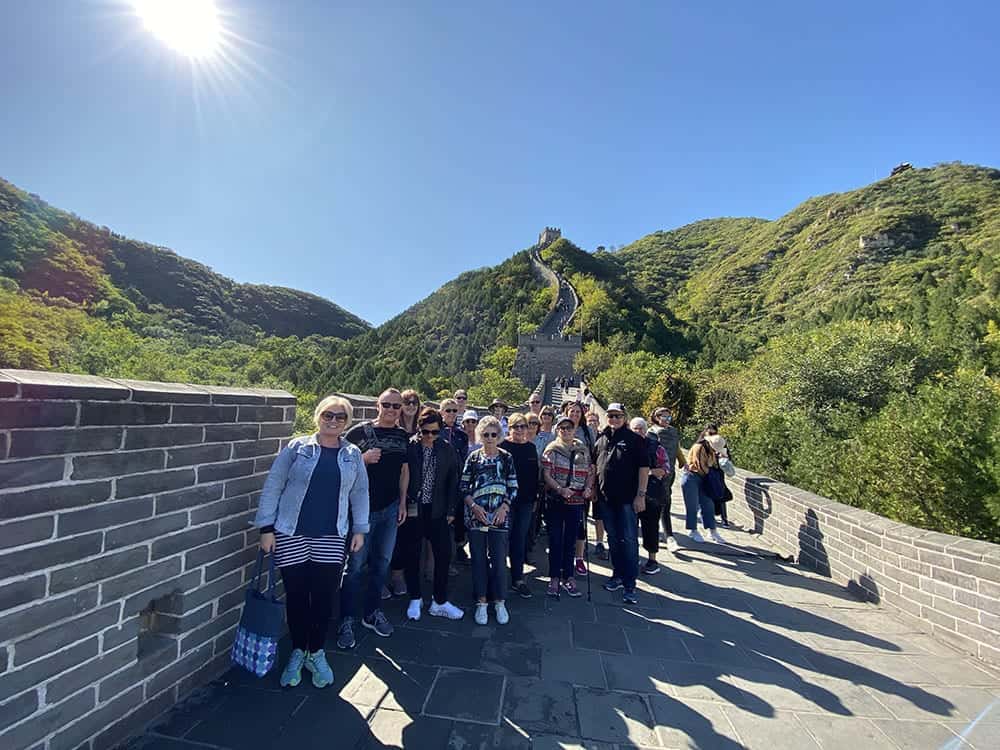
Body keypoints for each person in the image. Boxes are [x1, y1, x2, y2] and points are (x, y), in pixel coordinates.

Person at [256, 396, 368, 688]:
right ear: (318, 416)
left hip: (332, 535)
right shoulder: (297, 448)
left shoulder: (352, 454)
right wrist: (266, 527)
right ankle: (297, 650)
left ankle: (316, 652)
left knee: (323, 597)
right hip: (291, 532)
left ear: (347, 421)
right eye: (328, 415)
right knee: (296, 596)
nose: (333, 421)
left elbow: (360, 493)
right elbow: (274, 485)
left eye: (340, 417)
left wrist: (360, 529)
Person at [337, 389, 409, 649]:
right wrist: (363, 459)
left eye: (396, 406)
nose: (391, 409)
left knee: (382, 564)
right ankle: (346, 619)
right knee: (354, 567)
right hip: (362, 511)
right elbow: (340, 466)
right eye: (387, 404)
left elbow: (404, 470)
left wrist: (402, 502)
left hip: (390, 509)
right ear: (377, 405)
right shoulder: (358, 433)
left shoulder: (402, 436)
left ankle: (371, 613)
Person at [400, 408, 465, 621]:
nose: (429, 436)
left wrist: (450, 510)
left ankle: (440, 600)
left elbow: (453, 481)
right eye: (425, 432)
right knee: (412, 554)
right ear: (419, 429)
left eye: (434, 432)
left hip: (437, 509)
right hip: (414, 508)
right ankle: (415, 597)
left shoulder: (446, 449)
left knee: (443, 555)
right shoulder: (410, 446)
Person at [461, 416, 517, 625]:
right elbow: (464, 487)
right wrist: (473, 507)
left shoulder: (506, 458)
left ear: (499, 436)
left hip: (500, 517)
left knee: (499, 560)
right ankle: (481, 602)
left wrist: (505, 507)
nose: (490, 438)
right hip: (478, 517)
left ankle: (500, 601)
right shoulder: (473, 458)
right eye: (486, 434)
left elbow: (513, 486)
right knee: (478, 559)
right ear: (480, 436)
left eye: (494, 434)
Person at [594, 403, 649, 604]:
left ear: (624, 417)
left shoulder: (635, 440)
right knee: (613, 539)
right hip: (605, 498)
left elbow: (644, 468)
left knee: (629, 540)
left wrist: (641, 495)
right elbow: (595, 465)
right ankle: (617, 575)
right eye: (611, 416)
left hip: (627, 499)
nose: (614, 419)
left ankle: (630, 584)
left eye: (618, 416)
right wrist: (593, 489)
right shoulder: (602, 437)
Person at [541, 415, 594, 599]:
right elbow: (546, 474)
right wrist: (560, 489)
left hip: (577, 501)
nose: (566, 431)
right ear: (557, 430)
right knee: (555, 539)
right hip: (556, 500)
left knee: (570, 540)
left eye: (569, 428)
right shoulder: (551, 449)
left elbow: (590, 471)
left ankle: (568, 576)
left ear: (574, 430)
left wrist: (588, 488)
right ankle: (554, 577)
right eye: (562, 428)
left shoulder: (583, 449)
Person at [501, 413, 541, 599]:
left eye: (522, 426)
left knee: (519, 540)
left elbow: (534, 476)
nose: (519, 430)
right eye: (515, 426)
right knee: (502, 540)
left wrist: (534, 500)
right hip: (505, 503)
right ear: (509, 428)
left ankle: (518, 579)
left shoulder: (531, 448)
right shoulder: (502, 447)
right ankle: (499, 577)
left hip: (525, 501)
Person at [630, 417, 667, 575]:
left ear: (646, 430)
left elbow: (664, 469)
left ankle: (652, 560)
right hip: (630, 493)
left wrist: (646, 472)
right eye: (635, 429)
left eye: (641, 428)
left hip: (652, 494)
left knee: (651, 527)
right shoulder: (626, 446)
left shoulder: (656, 447)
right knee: (630, 527)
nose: (638, 431)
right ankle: (633, 556)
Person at [561, 401, 593, 577]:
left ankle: (578, 558)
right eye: (571, 411)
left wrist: (590, 484)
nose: (574, 414)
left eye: (577, 412)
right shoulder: (559, 428)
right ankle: (562, 557)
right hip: (561, 484)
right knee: (560, 523)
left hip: (581, 486)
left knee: (580, 522)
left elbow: (592, 460)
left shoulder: (588, 432)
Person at [649, 408, 686, 552]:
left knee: (664, 501)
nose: (666, 419)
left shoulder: (673, 431)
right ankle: (669, 536)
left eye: (668, 417)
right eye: (663, 416)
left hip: (670, 473)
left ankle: (664, 534)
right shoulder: (652, 432)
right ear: (656, 417)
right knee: (663, 502)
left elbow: (677, 448)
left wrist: (683, 462)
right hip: (657, 474)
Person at [680, 435, 727, 544]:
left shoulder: (711, 450)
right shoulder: (699, 447)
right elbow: (700, 466)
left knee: (708, 504)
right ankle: (693, 530)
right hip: (692, 477)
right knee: (692, 505)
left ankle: (712, 531)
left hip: (704, 478)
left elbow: (714, 465)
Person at [585, 410, 609, 560]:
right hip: (584, 479)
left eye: (595, 421)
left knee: (599, 514)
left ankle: (600, 541)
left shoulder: (603, 438)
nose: (592, 423)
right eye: (590, 421)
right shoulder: (584, 436)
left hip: (599, 481)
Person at [439, 397, 469, 464]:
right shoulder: (435, 431)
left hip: (456, 472)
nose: (452, 413)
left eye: (455, 410)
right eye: (448, 410)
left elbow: (463, 457)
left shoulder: (462, 433)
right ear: (441, 412)